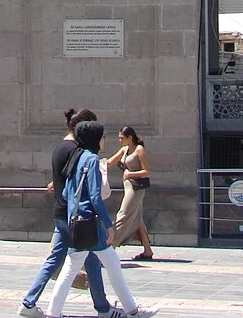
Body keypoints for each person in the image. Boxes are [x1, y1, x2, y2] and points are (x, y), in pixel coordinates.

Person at [46, 121, 156, 318]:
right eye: (103, 136)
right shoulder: (91, 160)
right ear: (95, 139)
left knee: (75, 267)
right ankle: (132, 311)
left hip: (77, 221)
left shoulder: (76, 158)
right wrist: (108, 224)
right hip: (91, 223)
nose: (105, 140)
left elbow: (67, 192)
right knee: (109, 265)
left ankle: (53, 313)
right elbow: (95, 197)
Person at [17, 109, 119, 318]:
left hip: (62, 213)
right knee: (90, 260)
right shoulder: (76, 150)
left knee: (58, 260)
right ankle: (103, 308)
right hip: (75, 215)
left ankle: (29, 303)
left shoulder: (60, 147)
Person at [109, 126, 153, 261]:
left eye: (122, 138)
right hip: (128, 187)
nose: (120, 140)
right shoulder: (124, 150)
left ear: (130, 137)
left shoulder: (139, 150)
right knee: (137, 219)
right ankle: (147, 250)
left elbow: (147, 172)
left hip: (136, 189)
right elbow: (110, 162)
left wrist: (130, 174)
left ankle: (109, 248)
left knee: (123, 215)